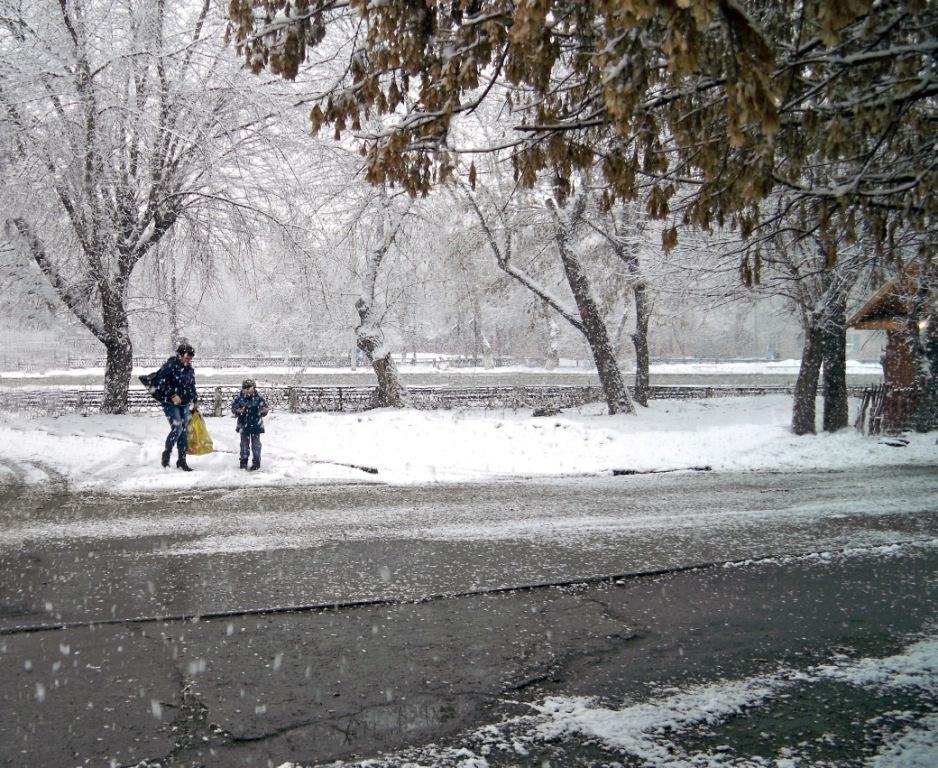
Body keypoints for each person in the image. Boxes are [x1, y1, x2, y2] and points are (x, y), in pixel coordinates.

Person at [154, 342, 199, 471]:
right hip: (170, 403)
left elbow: (191, 385)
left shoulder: (189, 368)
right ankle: (167, 454)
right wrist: (172, 395)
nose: (189, 360)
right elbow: (159, 381)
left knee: (184, 430)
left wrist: (195, 399)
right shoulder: (171, 365)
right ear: (179, 355)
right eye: (187, 357)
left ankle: (182, 460)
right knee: (177, 427)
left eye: (190, 358)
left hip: (184, 403)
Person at [231, 379, 269, 471]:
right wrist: (238, 411)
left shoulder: (259, 397)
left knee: (256, 444)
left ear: (254, 387)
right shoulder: (240, 397)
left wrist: (263, 411)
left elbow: (264, 408)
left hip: (256, 424)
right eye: (244, 388)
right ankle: (243, 460)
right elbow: (233, 408)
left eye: (249, 388)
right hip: (244, 424)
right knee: (244, 444)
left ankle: (256, 461)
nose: (247, 390)